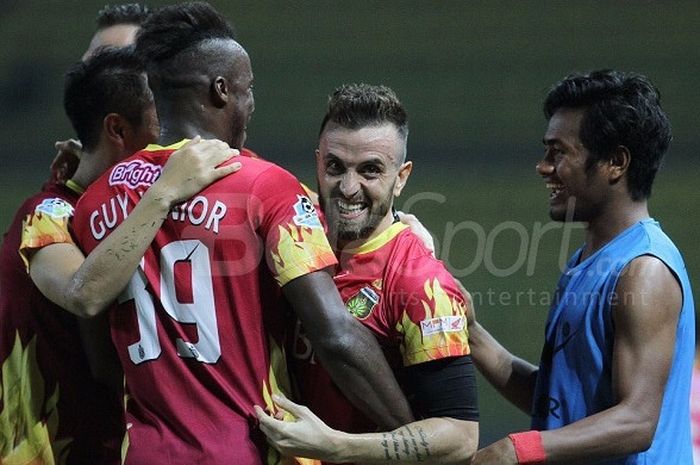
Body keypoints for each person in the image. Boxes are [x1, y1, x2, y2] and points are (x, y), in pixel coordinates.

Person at [257, 70, 695, 465]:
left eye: (559, 152)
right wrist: (473, 333)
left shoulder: (644, 269)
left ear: (616, 163)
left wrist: (513, 448)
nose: (544, 167)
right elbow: (556, 401)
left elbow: (637, 421)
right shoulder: (589, 262)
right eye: (334, 166)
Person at [71, 3, 412, 465]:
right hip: (244, 449)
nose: (252, 103)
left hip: (147, 451)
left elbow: (102, 364)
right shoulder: (266, 188)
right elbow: (335, 336)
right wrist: (413, 436)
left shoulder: (96, 201)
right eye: (248, 90)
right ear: (221, 91)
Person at [0, 45, 238, 465]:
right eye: (158, 120)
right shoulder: (46, 215)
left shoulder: (116, 205)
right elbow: (83, 293)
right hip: (51, 452)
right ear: (117, 129)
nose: (170, 137)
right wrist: (164, 190)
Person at [277, 83, 478, 464]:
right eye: (335, 167)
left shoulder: (421, 282)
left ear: (401, 177)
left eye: (370, 170)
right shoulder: (293, 227)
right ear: (318, 161)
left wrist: (336, 447)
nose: (349, 188)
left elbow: (461, 436)